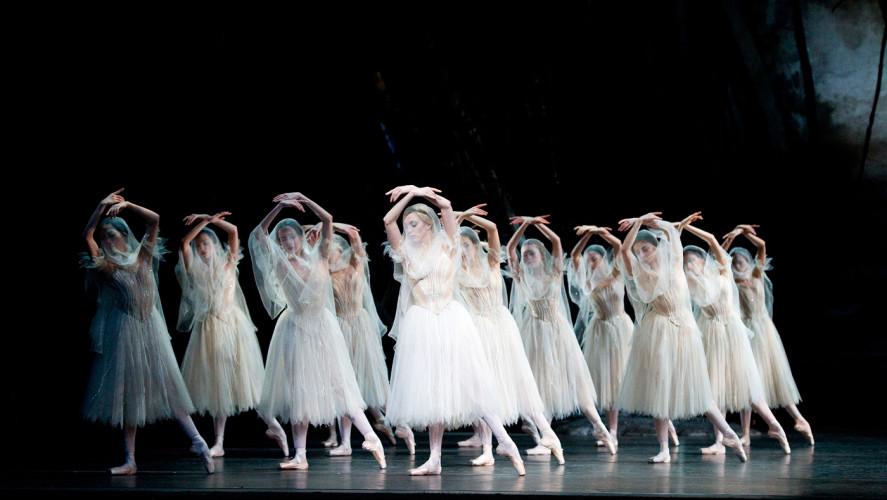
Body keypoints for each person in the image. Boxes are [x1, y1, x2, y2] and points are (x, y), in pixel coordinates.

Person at [382, 185, 526, 476]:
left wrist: (423, 192)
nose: (408, 229)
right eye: (407, 224)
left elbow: (447, 208)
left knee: (473, 383)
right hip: (422, 323)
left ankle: (505, 441)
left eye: (414, 224)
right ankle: (434, 458)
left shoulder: (448, 244)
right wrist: (410, 195)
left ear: (427, 225)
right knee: (434, 392)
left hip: (451, 319)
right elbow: (387, 221)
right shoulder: (405, 253)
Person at [249, 192, 386, 471]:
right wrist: (279, 208)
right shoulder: (279, 261)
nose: (287, 242)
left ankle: (371, 437)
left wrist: (303, 199)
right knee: (299, 391)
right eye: (283, 238)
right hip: (295, 329)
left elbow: (327, 219)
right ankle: (300, 454)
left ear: (301, 237)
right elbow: (257, 235)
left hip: (322, 327)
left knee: (339, 383)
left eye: (292, 236)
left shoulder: (320, 255)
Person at [80, 189, 213, 475]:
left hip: (149, 326)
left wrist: (127, 205)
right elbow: (86, 236)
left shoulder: (143, 253)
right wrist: (100, 207)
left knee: (170, 387)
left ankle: (199, 441)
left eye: (111, 236)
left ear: (124, 236)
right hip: (125, 328)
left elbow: (154, 221)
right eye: (104, 239)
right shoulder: (105, 266)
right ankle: (130, 460)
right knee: (127, 396)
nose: (106, 241)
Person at [616, 212, 746, 463]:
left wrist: (645, 220)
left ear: (657, 248)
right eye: (639, 250)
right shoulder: (639, 274)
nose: (642, 254)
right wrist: (639, 225)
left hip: (682, 327)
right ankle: (664, 449)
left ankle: (729, 433)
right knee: (658, 389)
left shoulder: (674, 262)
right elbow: (623, 251)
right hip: (656, 330)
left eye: (646, 249)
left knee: (697, 385)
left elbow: (671, 233)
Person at [453, 204, 564, 465]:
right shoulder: (457, 272)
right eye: (458, 248)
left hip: (502, 327)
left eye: (465, 246)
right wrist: (453, 222)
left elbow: (492, 229)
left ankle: (548, 435)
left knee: (520, 381)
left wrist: (465, 217)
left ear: (474, 245)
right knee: (484, 389)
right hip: (479, 329)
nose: (462, 252)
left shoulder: (491, 260)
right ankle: (488, 450)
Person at [175, 211, 288, 458]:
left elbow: (234, 231)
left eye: (206, 243)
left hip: (233, 326)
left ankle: (275, 427)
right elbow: (184, 243)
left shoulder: (229, 262)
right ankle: (219, 442)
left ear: (215, 245)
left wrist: (212, 219)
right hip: (209, 329)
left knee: (248, 382)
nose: (202, 248)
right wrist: (204, 223)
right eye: (199, 245)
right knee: (218, 387)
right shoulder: (194, 268)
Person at [677, 213, 790, 455]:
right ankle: (721, 441)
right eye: (686, 262)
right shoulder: (691, 283)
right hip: (712, 333)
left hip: (730, 332)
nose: (689, 264)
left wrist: (687, 227)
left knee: (748, 388)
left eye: (692, 260)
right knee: (716, 389)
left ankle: (775, 426)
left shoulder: (721, 270)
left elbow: (714, 243)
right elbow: (672, 257)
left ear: (702, 260)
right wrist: (675, 233)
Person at [506, 216, 617, 455]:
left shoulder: (554, 271)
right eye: (524, 254)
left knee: (576, 385)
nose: (526, 257)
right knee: (540, 387)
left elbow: (555, 240)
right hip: (534, 331)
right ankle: (544, 440)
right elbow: (509, 249)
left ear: (542, 256)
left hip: (556, 332)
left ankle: (601, 428)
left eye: (531, 253)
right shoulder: (521, 275)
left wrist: (535, 224)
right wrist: (522, 227)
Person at [723, 224, 814, 446]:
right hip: (746, 333)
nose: (738, 265)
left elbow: (762, 246)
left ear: (748, 262)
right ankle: (745, 433)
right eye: (735, 263)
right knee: (747, 383)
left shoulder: (757, 274)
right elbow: (719, 258)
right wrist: (731, 238)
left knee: (775, 379)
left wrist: (743, 233)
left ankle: (799, 419)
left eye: (741, 261)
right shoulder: (732, 282)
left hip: (763, 331)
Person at [567, 225, 634, 447]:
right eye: (589, 260)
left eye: (594, 259)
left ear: (603, 260)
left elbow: (620, 247)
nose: (589, 263)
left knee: (625, 378)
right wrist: (588, 235)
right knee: (607, 383)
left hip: (619, 328)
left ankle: (665, 422)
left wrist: (601, 233)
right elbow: (575, 255)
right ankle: (611, 431)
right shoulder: (587, 282)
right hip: (600, 330)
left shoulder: (616, 272)